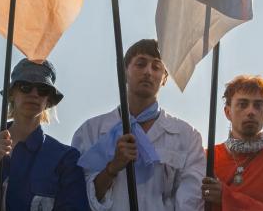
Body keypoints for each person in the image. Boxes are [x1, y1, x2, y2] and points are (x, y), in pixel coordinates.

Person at [72, 39, 205, 210]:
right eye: (140, 64)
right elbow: (78, 194)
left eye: (156, 67)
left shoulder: (187, 136)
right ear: (124, 72)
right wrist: (112, 168)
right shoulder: (90, 131)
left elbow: (191, 199)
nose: (148, 72)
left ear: (164, 78)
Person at [0, 58, 87, 210]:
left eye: (42, 89)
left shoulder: (66, 159)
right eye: (25, 86)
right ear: (11, 93)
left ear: (49, 99)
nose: (34, 94)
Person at [201, 75, 263, 209]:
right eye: (243, 104)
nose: (251, 111)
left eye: (258, 105)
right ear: (227, 112)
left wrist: (226, 197)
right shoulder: (206, 158)